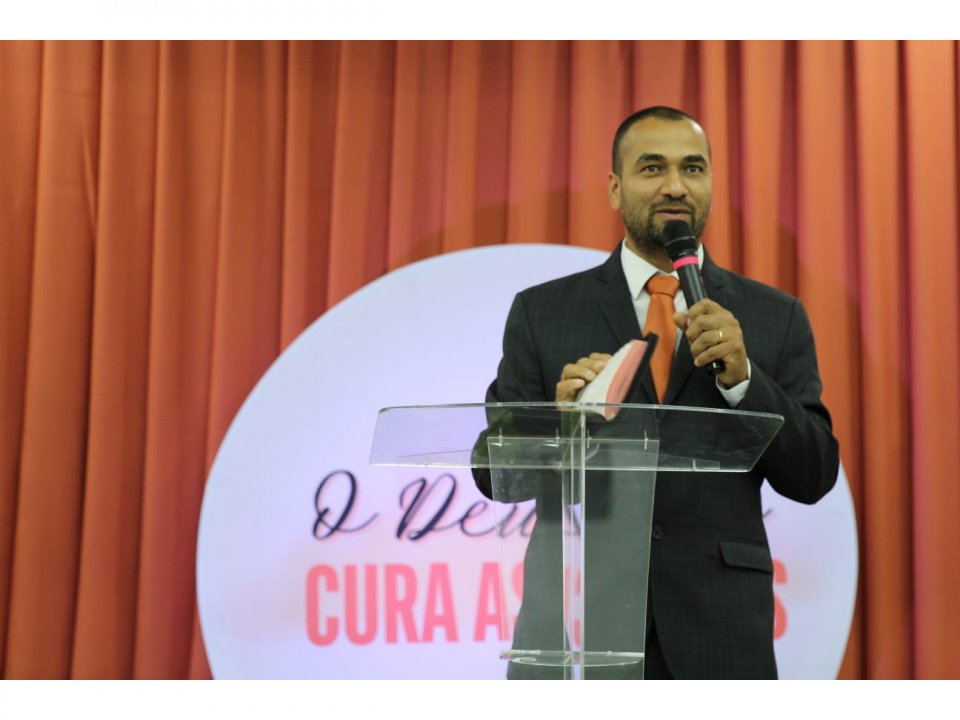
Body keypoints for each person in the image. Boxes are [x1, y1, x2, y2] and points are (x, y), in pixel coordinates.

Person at [473, 106, 840, 679]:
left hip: (720, 633)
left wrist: (745, 379)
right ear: (615, 189)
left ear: (710, 183)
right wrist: (558, 422)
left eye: (692, 168)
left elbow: (814, 475)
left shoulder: (773, 316)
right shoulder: (544, 312)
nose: (675, 186)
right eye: (652, 168)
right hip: (582, 625)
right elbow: (494, 473)